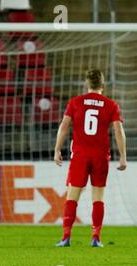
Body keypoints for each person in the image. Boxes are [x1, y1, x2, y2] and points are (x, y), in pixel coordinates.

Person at [54, 69, 127, 248]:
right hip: (100, 155)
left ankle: (66, 237)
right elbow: (118, 130)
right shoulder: (111, 105)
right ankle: (95, 237)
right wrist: (123, 156)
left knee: (73, 196)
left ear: (87, 84)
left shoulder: (75, 102)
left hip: (80, 155)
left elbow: (64, 126)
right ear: (103, 85)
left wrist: (57, 149)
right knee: (98, 197)